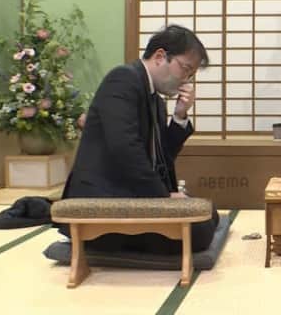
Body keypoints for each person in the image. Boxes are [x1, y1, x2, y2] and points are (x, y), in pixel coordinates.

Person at [58, 24, 219, 254]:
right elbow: (125, 150)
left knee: (208, 213)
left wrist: (180, 115)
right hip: (104, 199)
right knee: (200, 230)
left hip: (132, 192)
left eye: (191, 75)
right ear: (160, 57)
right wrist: (163, 198)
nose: (186, 80)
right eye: (185, 69)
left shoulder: (155, 99)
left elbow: (163, 158)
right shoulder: (123, 80)